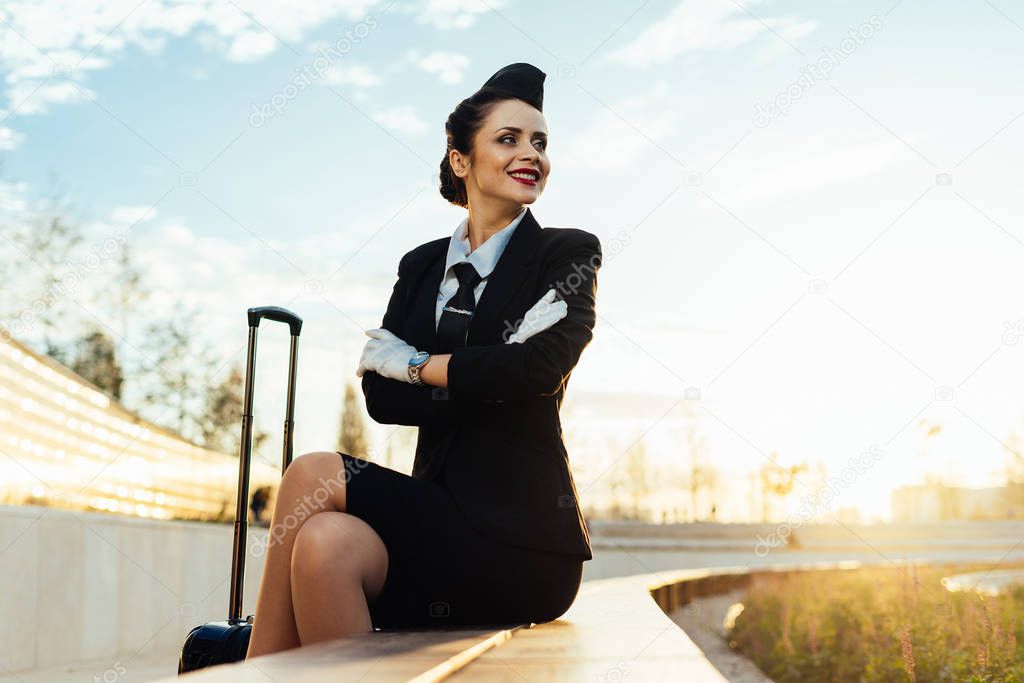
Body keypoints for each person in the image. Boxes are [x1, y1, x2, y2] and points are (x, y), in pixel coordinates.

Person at [246, 62, 602, 657]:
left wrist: (414, 364)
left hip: (526, 547)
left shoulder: (566, 252)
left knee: (310, 473)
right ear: (461, 161)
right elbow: (383, 402)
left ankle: (253, 667)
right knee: (324, 544)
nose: (531, 154)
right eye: (508, 139)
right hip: (436, 523)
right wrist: (490, 367)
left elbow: (536, 373)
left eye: (540, 142)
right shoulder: (420, 265)